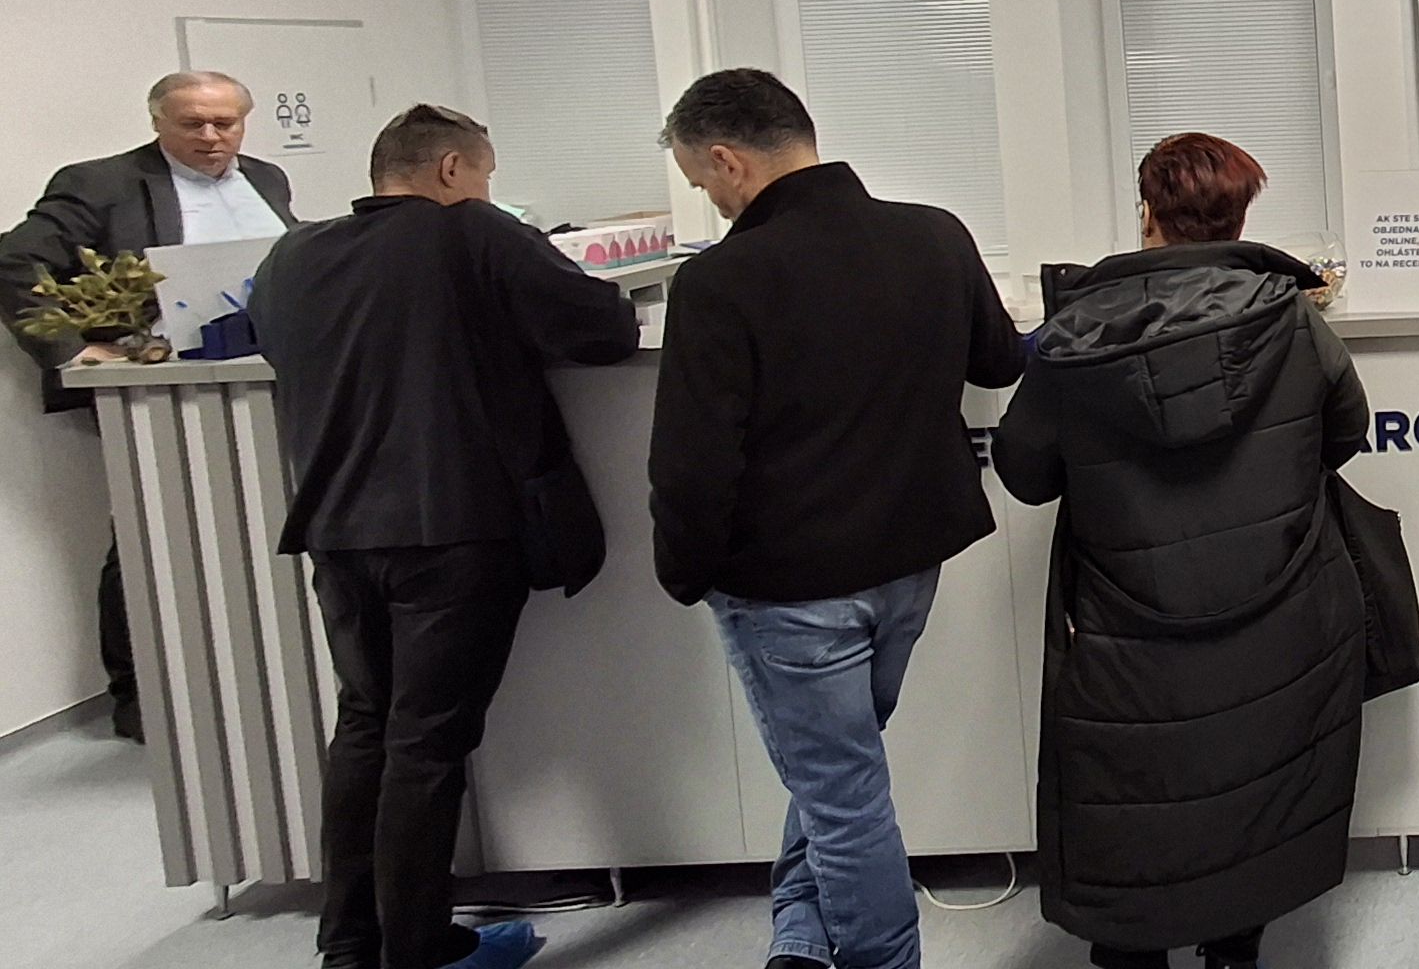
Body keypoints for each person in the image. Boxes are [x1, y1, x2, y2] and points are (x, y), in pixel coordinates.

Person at [647, 69, 1025, 969]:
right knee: (836, 772)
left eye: (702, 183)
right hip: (910, 565)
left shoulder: (720, 280)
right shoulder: (934, 233)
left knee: (842, 792)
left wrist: (686, 573)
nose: (711, 202)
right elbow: (1001, 361)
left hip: (787, 586)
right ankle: (803, 932)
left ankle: (879, 958)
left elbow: (693, 463)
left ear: (728, 160)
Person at [251, 105, 639, 969]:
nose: (487, 192)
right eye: (486, 176)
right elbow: (603, 331)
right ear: (454, 170)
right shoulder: (473, 233)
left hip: (335, 528)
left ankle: (349, 944)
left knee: (365, 727)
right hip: (454, 527)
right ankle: (419, 949)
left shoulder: (291, 255)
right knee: (426, 744)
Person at [995, 134, 1370, 969]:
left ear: (1148, 215)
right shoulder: (1291, 320)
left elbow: (1023, 474)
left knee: (1133, 789)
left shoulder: (1073, 338)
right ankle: (1235, 946)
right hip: (1276, 606)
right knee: (1254, 774)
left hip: (1127, 621)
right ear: (1239, 219)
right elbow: (1346, 432)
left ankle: (1133, 950)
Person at [1, 69, 298, 741]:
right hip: (160, 388)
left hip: (263, 377)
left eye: (226, 123)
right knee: (151, 534)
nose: (212, 136)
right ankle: (140, 696)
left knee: (266, 524)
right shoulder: (100, 183)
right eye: (193, 123)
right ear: (158, 120)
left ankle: (256, 676)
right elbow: (15, 261)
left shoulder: (266, 178)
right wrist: (75, 350)